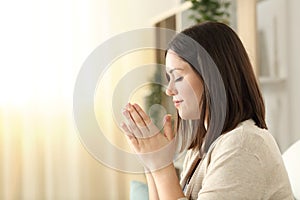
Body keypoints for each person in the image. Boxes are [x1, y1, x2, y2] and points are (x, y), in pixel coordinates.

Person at [120, 22, 293, 200]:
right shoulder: (200, 149)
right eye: (168, 79)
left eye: (178, 77)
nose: (169, 90)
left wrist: (162, 168)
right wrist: (152, 163)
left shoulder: (242, 144)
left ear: (212, 76)